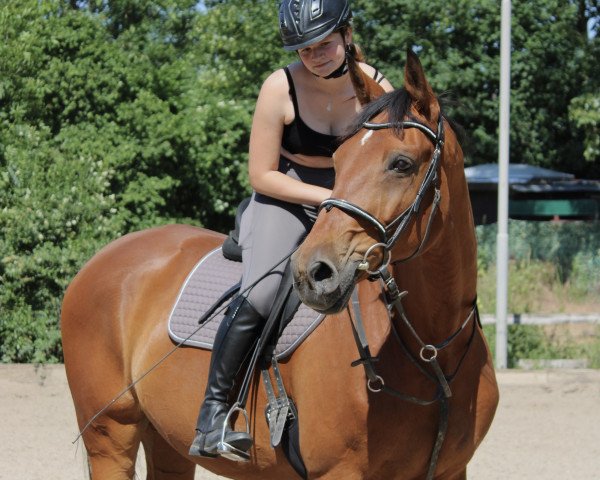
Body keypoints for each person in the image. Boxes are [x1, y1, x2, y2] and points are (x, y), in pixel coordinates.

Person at [189, 0, 393, 460]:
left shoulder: (377, 85)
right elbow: (261, 174)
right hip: (287, 196)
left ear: (346, 34)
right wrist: (328, 200)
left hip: (351, 200)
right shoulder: (278, 87)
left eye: (324, 44)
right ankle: (214, 416)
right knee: (261, 295)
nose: (316, 55)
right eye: (304, 49)